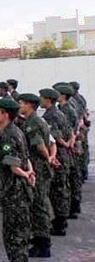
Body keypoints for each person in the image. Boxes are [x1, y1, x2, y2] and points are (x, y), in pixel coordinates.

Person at [0, 98, 34, 262]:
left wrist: (25, 174)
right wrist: (30, 171)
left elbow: (12, 165)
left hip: (13, 190)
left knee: (13, 230)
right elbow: (26, 157)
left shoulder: (8, 134)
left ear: (5, 115)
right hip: (19, 189)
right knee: (21, 228)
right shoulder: (17, 131)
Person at [18, 93, 54, 258]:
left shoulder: (33, 123)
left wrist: (48, 159)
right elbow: (52, 142)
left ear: (29, 105)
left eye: (22, 103)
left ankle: (43, 243)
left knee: (38, 205)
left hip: (38, 168)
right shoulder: (37, 120)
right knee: (39, 203)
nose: (19, 106)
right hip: (40, 167)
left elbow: (40, 146)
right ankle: (40, 238)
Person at [40, 88, 72, 236]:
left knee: (58, 190)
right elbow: (71, 131)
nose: (40, 100)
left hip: (58, 155)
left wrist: (65, 145)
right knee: (61, 188)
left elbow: (55, 137)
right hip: (62, 154)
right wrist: (69, 144)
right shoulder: (58, 112)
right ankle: (61, 221)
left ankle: (60, 224)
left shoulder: (51, 115)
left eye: (42, 97)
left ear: (48, 100)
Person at [55, 84, 83, 219]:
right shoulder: (61, 108)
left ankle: (73, 207)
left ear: (62, 95)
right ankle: (71, 207)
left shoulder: (68, 109)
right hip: (66, 146)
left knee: (72, 177)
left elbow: (71, 130)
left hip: (69, 147)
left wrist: (68, 144)